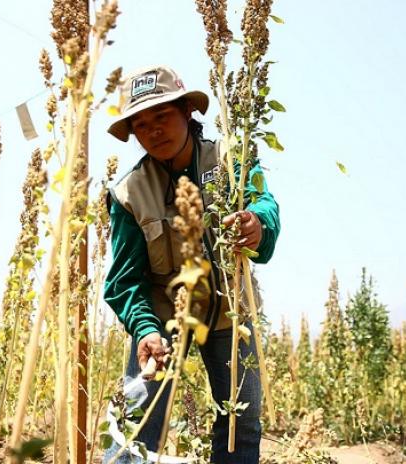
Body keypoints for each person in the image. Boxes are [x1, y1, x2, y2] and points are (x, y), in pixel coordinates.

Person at [103, 65, 280, 464]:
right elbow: (124, 280)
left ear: (187, 112)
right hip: (163, 319)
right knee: (139, 419)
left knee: (242, 422)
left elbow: (264, 204)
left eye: (162, 116)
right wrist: (146, 330)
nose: (153, 130)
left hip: (228, 313)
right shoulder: (128, 193)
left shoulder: (230, 160)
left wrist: (257, 224)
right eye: (141, 124)